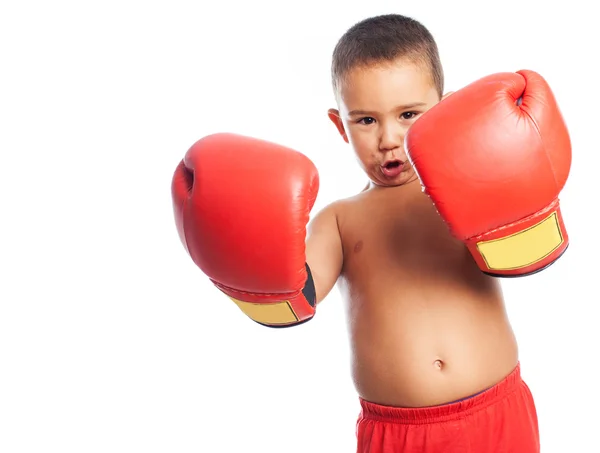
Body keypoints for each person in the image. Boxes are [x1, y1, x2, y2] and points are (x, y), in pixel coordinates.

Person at [172, 13, 570, 453]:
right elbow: (291, 298)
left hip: (499, 413)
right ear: (340, 126)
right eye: (366, 121)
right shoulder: (341, 221)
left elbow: (524, 253)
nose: (389, 138)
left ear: (445, 110)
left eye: (408, 114)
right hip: (397, 433)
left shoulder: (467, 188)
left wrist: (506, 179)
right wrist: (239, 240)